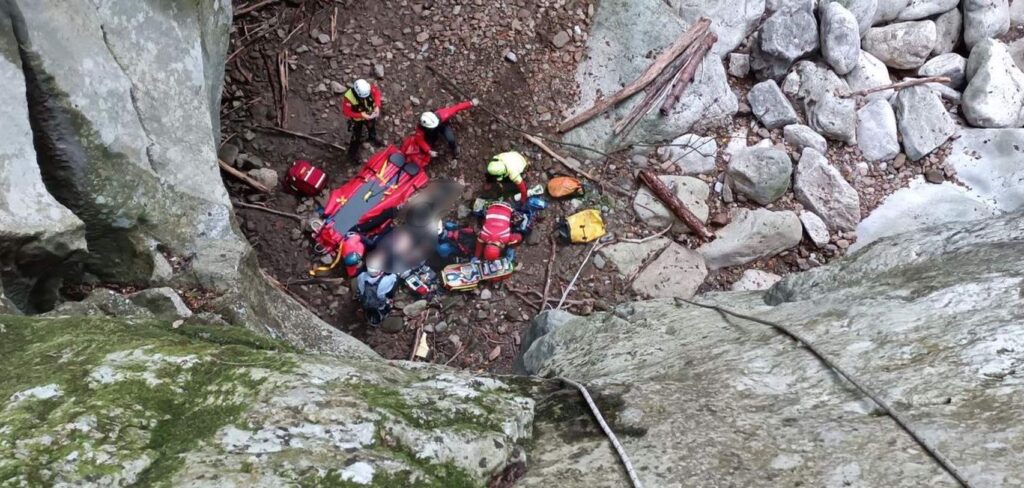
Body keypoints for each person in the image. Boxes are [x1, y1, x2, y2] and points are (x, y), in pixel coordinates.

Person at [413, 99, 477, 159]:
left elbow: (456, 108)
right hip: (430, 134)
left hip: (442, 127)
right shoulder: (420, 129)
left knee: (451, 139)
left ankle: (454, 148)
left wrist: (471, 103)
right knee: (424, 149)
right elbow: (419, 140)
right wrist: (429, 151)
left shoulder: (442, 114)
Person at [341, 79, 383, 160]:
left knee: (371, 127)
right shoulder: (349, 97)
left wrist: (377, 106)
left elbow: (377, 93)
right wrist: (361, 115)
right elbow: (346, 111)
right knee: (356, 136)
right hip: (357, 119)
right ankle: (352, 153)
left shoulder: (367, 88)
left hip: (370, 114)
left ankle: (372, 137)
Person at [355, 254, 397, 325]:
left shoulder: (361, 276)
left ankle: (365, 310)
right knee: (388, 297)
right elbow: (394, 277)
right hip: (379, 303)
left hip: (365, 300)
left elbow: (359, 289)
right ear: (378, 271)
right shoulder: (386, 280)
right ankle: (383, 311)